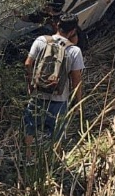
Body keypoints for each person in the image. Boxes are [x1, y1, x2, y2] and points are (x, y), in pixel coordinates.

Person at [23, 13, 85, 158]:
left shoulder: (41, 40)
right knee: (57, 132)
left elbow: (27, 64)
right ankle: (53, 160)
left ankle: (27, 155)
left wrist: (31, 84)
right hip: (59, 99)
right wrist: (78, 102)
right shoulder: (74, 51)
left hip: (37, 95)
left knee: (29, 126)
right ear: (73, 31)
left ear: (57, 25)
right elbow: (76, 80)